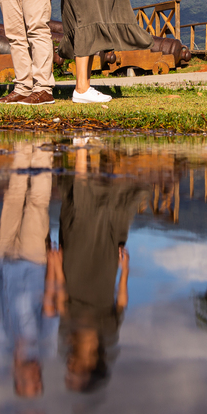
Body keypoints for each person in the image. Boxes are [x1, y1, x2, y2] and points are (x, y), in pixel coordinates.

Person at [53, 145, 141, 393]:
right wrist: (125, 271)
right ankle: (91, 152)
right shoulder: (108, 331)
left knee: (80, 213)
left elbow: (61, 301)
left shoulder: (68, 334)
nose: (70, 364)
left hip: (74, 266)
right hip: (104, 267)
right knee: (103, 216)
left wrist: (57, 266)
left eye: (69, 369)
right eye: (74, 370)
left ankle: (82, 149)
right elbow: (121, 303)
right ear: (89, 365)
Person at [0, 141, 60, 397]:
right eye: (40, 383)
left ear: (18, 380)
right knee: (37, 203)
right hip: (35, 262)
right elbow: (50, 304)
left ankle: (24, 146)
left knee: (13, 198)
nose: (38, 378)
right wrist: (54, 266)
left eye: (32, 384)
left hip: (3, 260)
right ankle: (43, 149)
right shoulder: (46, 347)